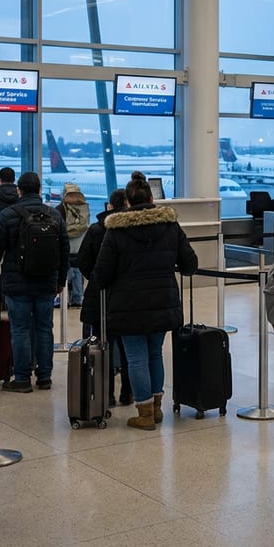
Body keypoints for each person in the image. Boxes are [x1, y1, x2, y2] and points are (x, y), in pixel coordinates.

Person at [90, 179, 197, 430]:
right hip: (163, 301)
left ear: (127, 202)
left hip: (128, 304)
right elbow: (190, 264)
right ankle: (157, 408)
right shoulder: (170, 226)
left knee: (136, 358)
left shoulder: (115, 229)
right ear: (151, 199)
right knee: (154, 353)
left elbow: (102, 274)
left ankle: (145, 413)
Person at [0, 172, 69, 393]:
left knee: (20, 330)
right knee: (44, 328)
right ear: (40, 190)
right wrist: (60, 280)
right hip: (47, 282)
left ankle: (21, 378)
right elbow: (64, 251)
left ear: (19, 190)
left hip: (16, 282)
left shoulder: (7, 215)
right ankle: (44, 377)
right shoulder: (55, 215)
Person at [76, 188, 131, 406]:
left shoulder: (97, 229)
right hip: (126, 296)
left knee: (102, 346)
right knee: (128, 348)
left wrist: (97, 278)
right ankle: (128, 392)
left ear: (109, 206)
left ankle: (106, 394)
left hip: (99, 296)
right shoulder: (131, 230)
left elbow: (83, 260)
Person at [55, 182, 88, 308]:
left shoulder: (60, 209)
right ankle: (77, 298)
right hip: (79, 246)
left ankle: (64, 298)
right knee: (78, 272)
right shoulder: (84, 208)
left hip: (66, 246)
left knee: (66, 271)